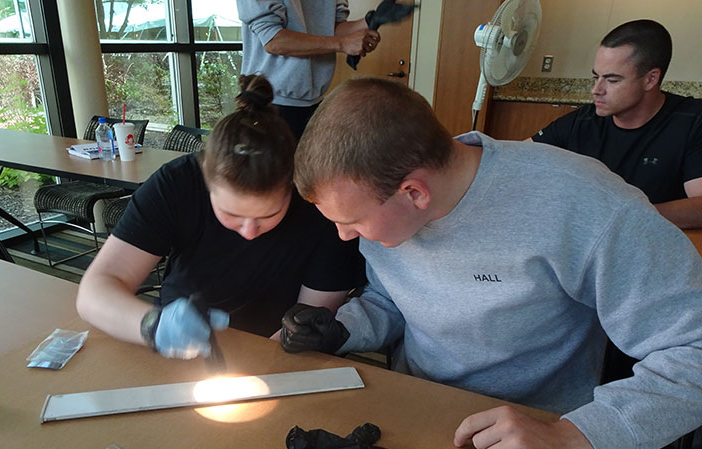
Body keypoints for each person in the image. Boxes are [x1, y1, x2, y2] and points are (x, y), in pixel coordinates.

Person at [282, 77, 702, 448]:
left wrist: (576, 435)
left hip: (534, 426)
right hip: (411, 406)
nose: (344, 236)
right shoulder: (389, 208)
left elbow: (693, 348)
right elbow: (392, 300)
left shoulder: (585, 205)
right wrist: (342, 330)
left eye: (351, 221)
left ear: (414, 193)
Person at [75, 75, 365, 359]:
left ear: (293, 186)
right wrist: (154, 326)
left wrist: (271, 354)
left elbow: (307, 321)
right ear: (206, 181)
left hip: (273, 352)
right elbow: (94, 292)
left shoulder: (322, 207)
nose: (249, 231)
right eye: (231, 215)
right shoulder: (176, 184)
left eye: (268, 215)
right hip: (177, 350)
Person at [529, 20, 702, 230]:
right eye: (596, 77)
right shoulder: (583, 120)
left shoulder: (692, 120)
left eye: (612, 80)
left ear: (650, 79)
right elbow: (518, 159)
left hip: (656, 248)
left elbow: (699, 206)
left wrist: (620, 215)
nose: (596, 90)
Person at [237, 0, 413, 141]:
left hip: (314, 104)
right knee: (270, 183)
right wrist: (343, 44)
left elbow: (333, 29)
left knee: (306, 181)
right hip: (268, 101)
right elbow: (274, 40)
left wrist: (371, 20)